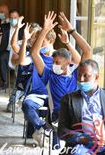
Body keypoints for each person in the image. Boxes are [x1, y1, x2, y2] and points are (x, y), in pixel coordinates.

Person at [30, 11, 92, 146]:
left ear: (68, 63)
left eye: (57, 63)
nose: (54, 65)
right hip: (59, 116)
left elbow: (87, 51)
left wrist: (71, 31)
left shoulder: (76, 75)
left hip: (77, 115)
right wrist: (45, 30)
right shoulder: (49, 75)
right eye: (54, 62)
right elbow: (34, 53)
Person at [59, 59, 105, 155]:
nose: (81, 79)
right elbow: (61, 130)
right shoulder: (68, 99)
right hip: (82, 146)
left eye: (86, 76)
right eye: (79, 75)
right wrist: (82, 138)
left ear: (96, 77)